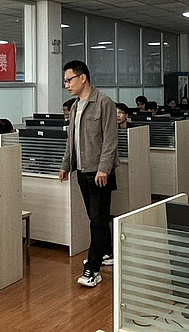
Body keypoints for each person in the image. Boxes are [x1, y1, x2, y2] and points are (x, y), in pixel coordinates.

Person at [59, 60, 118, 288]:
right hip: (82, 171)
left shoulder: (104, 103)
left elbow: (110, 140)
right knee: (96, 217)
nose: (66, 85)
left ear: (82, 77)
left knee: (97, 220)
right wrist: (66, 165)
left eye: (69, 80)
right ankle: (108, 252)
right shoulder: (75, 106)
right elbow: (71, 141)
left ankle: (92, 269)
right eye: (65, 81)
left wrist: (104, 168)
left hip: (99, 171)